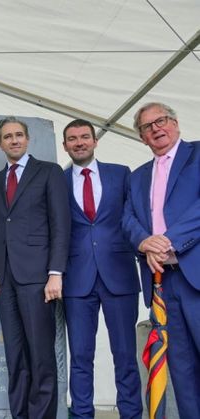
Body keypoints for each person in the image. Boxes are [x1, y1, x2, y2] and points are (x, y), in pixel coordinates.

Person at [0, 116, 70, 419]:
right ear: (0, 143)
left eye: (19, 135)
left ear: (27, 139)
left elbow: (61, 224)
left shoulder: (49, 172)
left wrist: (55, 273)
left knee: (41, 355)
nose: (14, 140)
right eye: (7, 136)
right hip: (3, 279)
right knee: (14, 355)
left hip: (38, 278)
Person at [122, 102, 200, 418]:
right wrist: (144, 241)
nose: (156, 129)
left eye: (162, 120)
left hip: (194, 274)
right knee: (180, 366)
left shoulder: (197, 155)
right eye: (147, 127)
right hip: (161, 283)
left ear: (176, 123)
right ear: (142, 138)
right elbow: (126, 217)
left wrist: (166, 241)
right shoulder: (137, 176)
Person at [61, 119, 142, 418]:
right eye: (72, 139)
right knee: (81, 356)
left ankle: (131, 413)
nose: (79, 142)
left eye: (84, 137)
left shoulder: (121, 174)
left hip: (119, 275)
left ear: (95, 141)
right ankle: (82, 414)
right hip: (76, 280)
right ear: (65, 145)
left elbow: (134, 217)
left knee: (125, 355)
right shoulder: (58, 179)